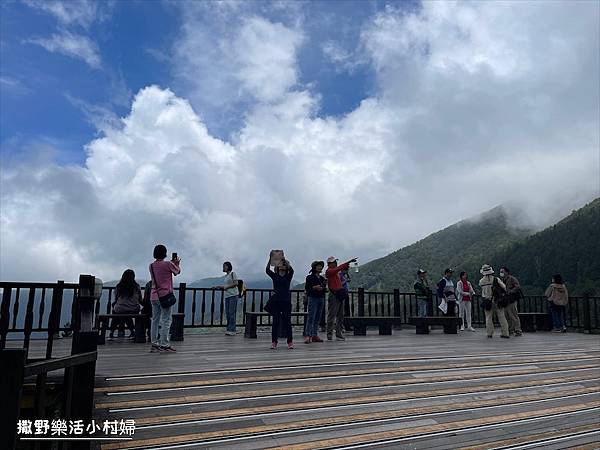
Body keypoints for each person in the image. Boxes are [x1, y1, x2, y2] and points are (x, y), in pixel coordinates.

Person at [149, 244, 181, 352]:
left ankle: (154, 343)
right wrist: (176, 264)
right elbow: (177, 272)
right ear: (165, 253)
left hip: (154, 295)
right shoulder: (168, 264)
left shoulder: (151, 265)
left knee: (155, 320)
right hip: (165, 295)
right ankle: (164, 344)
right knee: (166, 320)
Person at [266, 252, 294, 349]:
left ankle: (290, 342)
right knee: (275, 322)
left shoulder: (288, 276)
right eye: (280, 265)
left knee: (288, 322)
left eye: (283, 265)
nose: (282, 266)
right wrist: (271, 259)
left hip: (286, 301)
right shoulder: (275, 276)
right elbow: (267, 270)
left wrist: (284, 260)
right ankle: (274, 342)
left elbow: (292, 270)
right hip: (276, 302)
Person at [325, 256, 357, 341]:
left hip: (339, 294)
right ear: (329, 264)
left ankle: (339, 334)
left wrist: (347, 265)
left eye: (335, 262)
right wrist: (348, 262)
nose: (335, 263)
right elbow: (339, 268)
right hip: (334, 295)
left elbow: (341, 269)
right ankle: (329, 334)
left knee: (340, 315)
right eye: (334, 262)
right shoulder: (329, 271)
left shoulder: (336, 272)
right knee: (332, 315)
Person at [109, 269, 142, 340]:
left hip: (120, 309)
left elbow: (116, 298)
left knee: (117, 313)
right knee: (127, 314)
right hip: (134, 309)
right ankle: (132, 332)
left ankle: (112, 331)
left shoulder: (119, 286)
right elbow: (140, 299)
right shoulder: (136, 286)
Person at [479, 264, 509, 338]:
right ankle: (505, 333)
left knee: (488, 317)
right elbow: (505, 288)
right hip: (497, 300)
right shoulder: (496, 279)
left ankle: (489, 333)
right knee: (501, 316)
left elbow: (482, 292)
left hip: (487, 301)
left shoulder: (481, 281)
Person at [304, 261, 326, 344]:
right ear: (314, 267)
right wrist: (314, 287)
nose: (320, 268)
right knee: (311, 317)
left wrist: (323, 288)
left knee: (317, 317)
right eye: (318, 266)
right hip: (312, 298)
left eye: (321, 266)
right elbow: (307, 289)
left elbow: (324, 289)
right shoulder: (309, 277)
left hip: (321, 298)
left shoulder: (322, 278)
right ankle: (308, 335)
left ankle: (314, 335)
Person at [216, 262, 239, 336]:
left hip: (233, 295)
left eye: (224, 266)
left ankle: (232, 330)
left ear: (228, 267)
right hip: (227, 296)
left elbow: (236, 283)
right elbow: (226, 285)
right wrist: (219, 286)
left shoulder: (233, 274)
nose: (223, 267)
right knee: (228, 313)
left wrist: (227, 287)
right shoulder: (226, 276)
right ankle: (229, 329)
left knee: (231, 313)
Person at [500, 267, 523, 336]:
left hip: (511, 299)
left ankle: (518, 330)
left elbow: (517, 286)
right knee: (507, 315)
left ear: (507, 272)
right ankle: (510, 330)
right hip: (505, 300)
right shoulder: (502, 279)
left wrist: (511, 291)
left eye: (502, 271)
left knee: (513, 315)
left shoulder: (512, 278)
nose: (501, 273)